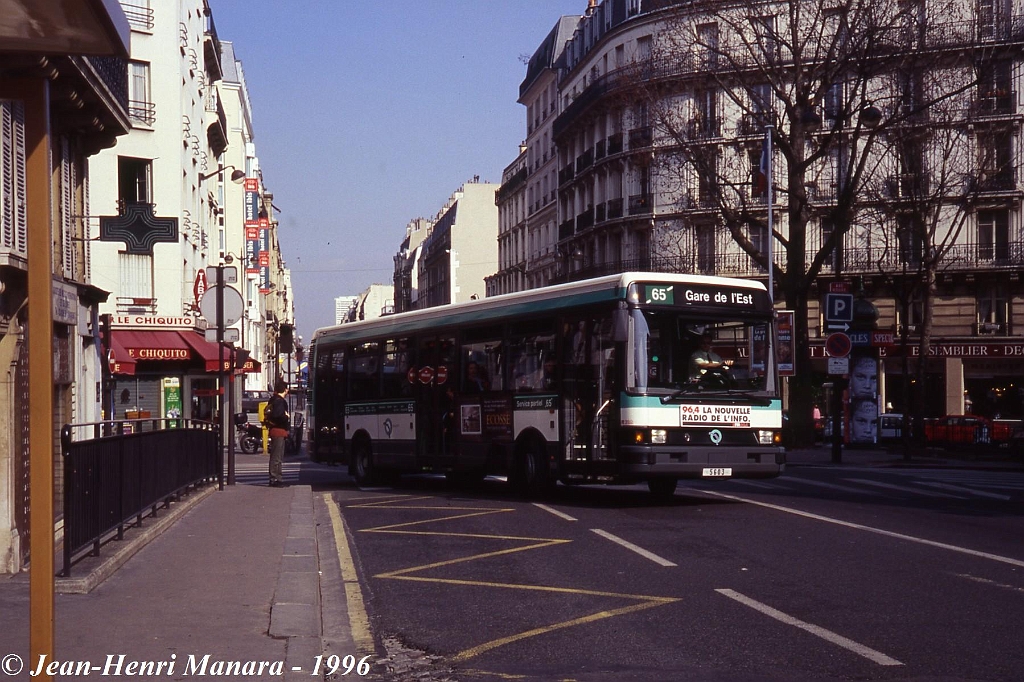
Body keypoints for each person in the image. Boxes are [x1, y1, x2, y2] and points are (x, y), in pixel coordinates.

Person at [264, 379, 290, 487]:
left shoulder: (274, 399)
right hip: (278, 431)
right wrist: (286, 417)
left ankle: (278, 478)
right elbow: (278, 416)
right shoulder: (279, 401)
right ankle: (274, 478)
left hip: (277, 431)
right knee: (277, 456)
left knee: (278, 456)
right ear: (285, 390)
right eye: (287, 389)